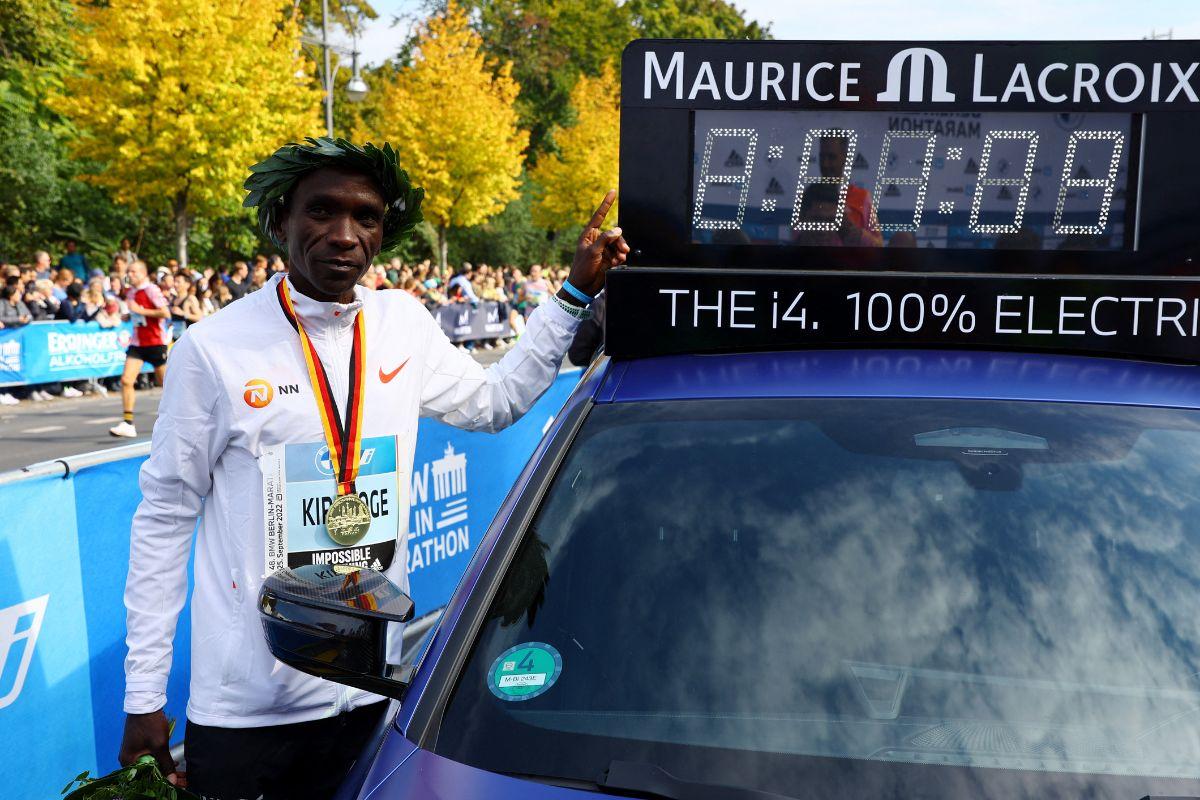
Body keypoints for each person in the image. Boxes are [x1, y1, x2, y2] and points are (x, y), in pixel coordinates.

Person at [117, 137, 627, 799]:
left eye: (366, 218)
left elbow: (494, 403)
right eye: (321, 212)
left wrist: (568, 296)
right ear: (280, 222)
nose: (344, 235)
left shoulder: (401, 324)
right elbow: (163, 521)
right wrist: (142, 696)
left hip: (374, 695)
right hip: (250, 712)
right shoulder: (215, 350)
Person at [109, 260, 170, 438]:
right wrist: (129, 315)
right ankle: (128, 423)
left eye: (134, 272)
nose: (131, 275)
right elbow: (136, 313)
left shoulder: (152, 290)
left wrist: (141, 310)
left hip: (155, 342)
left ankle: (180, 418)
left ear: (143, 273)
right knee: (126, 380)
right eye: (129, 272)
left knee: (166, 385)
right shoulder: (131, 292)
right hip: (137, 343)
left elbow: (165, 313)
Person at [816, 135, 883, 247]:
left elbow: (879, 246)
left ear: (845, 158)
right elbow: (797, 240)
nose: (825, 164)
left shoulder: (862, 197)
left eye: (832, 157)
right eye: (822, 157)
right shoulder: (808, 197)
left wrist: (853, 232)